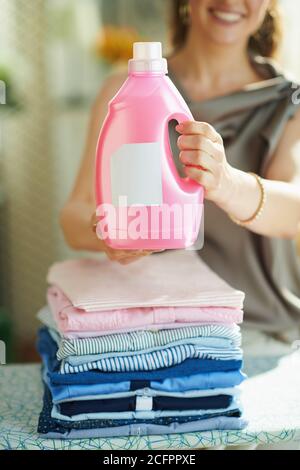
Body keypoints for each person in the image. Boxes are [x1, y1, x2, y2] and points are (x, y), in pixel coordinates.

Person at [60, 0, 300, 337]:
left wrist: (228, 184)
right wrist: (109, 235)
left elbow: (294, 211)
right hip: (154, 324)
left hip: (259, 327)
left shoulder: (287, 102)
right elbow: (73, 218)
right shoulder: (125, 92)